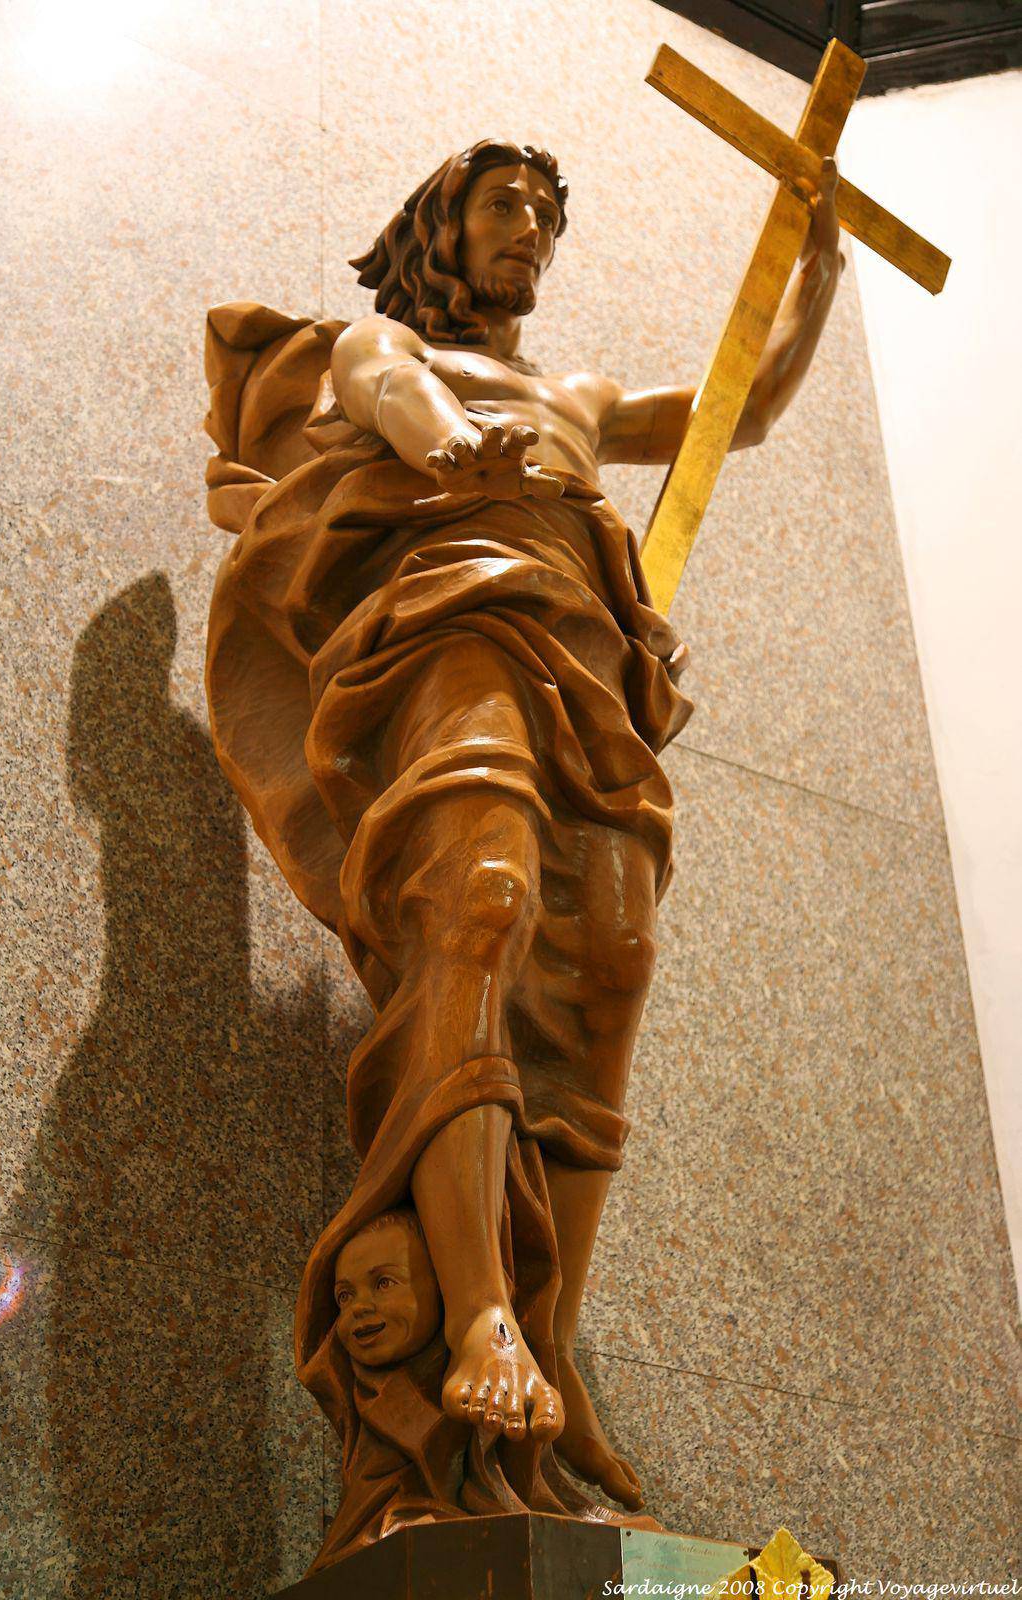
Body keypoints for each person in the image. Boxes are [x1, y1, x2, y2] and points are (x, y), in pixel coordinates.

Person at [203, 138, 842, 1544]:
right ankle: (481, 1306)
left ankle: (550, 1344)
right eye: (505, 206)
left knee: (610, 968)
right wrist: (453, 447)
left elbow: (733, 414)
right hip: (454, 628)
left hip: (589, 676)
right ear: (440, 227)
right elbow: (395, 395)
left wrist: (819, 266)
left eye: (547, 216)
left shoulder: (580, 396)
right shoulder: (380, 347)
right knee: (478, 908)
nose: (531, 232)